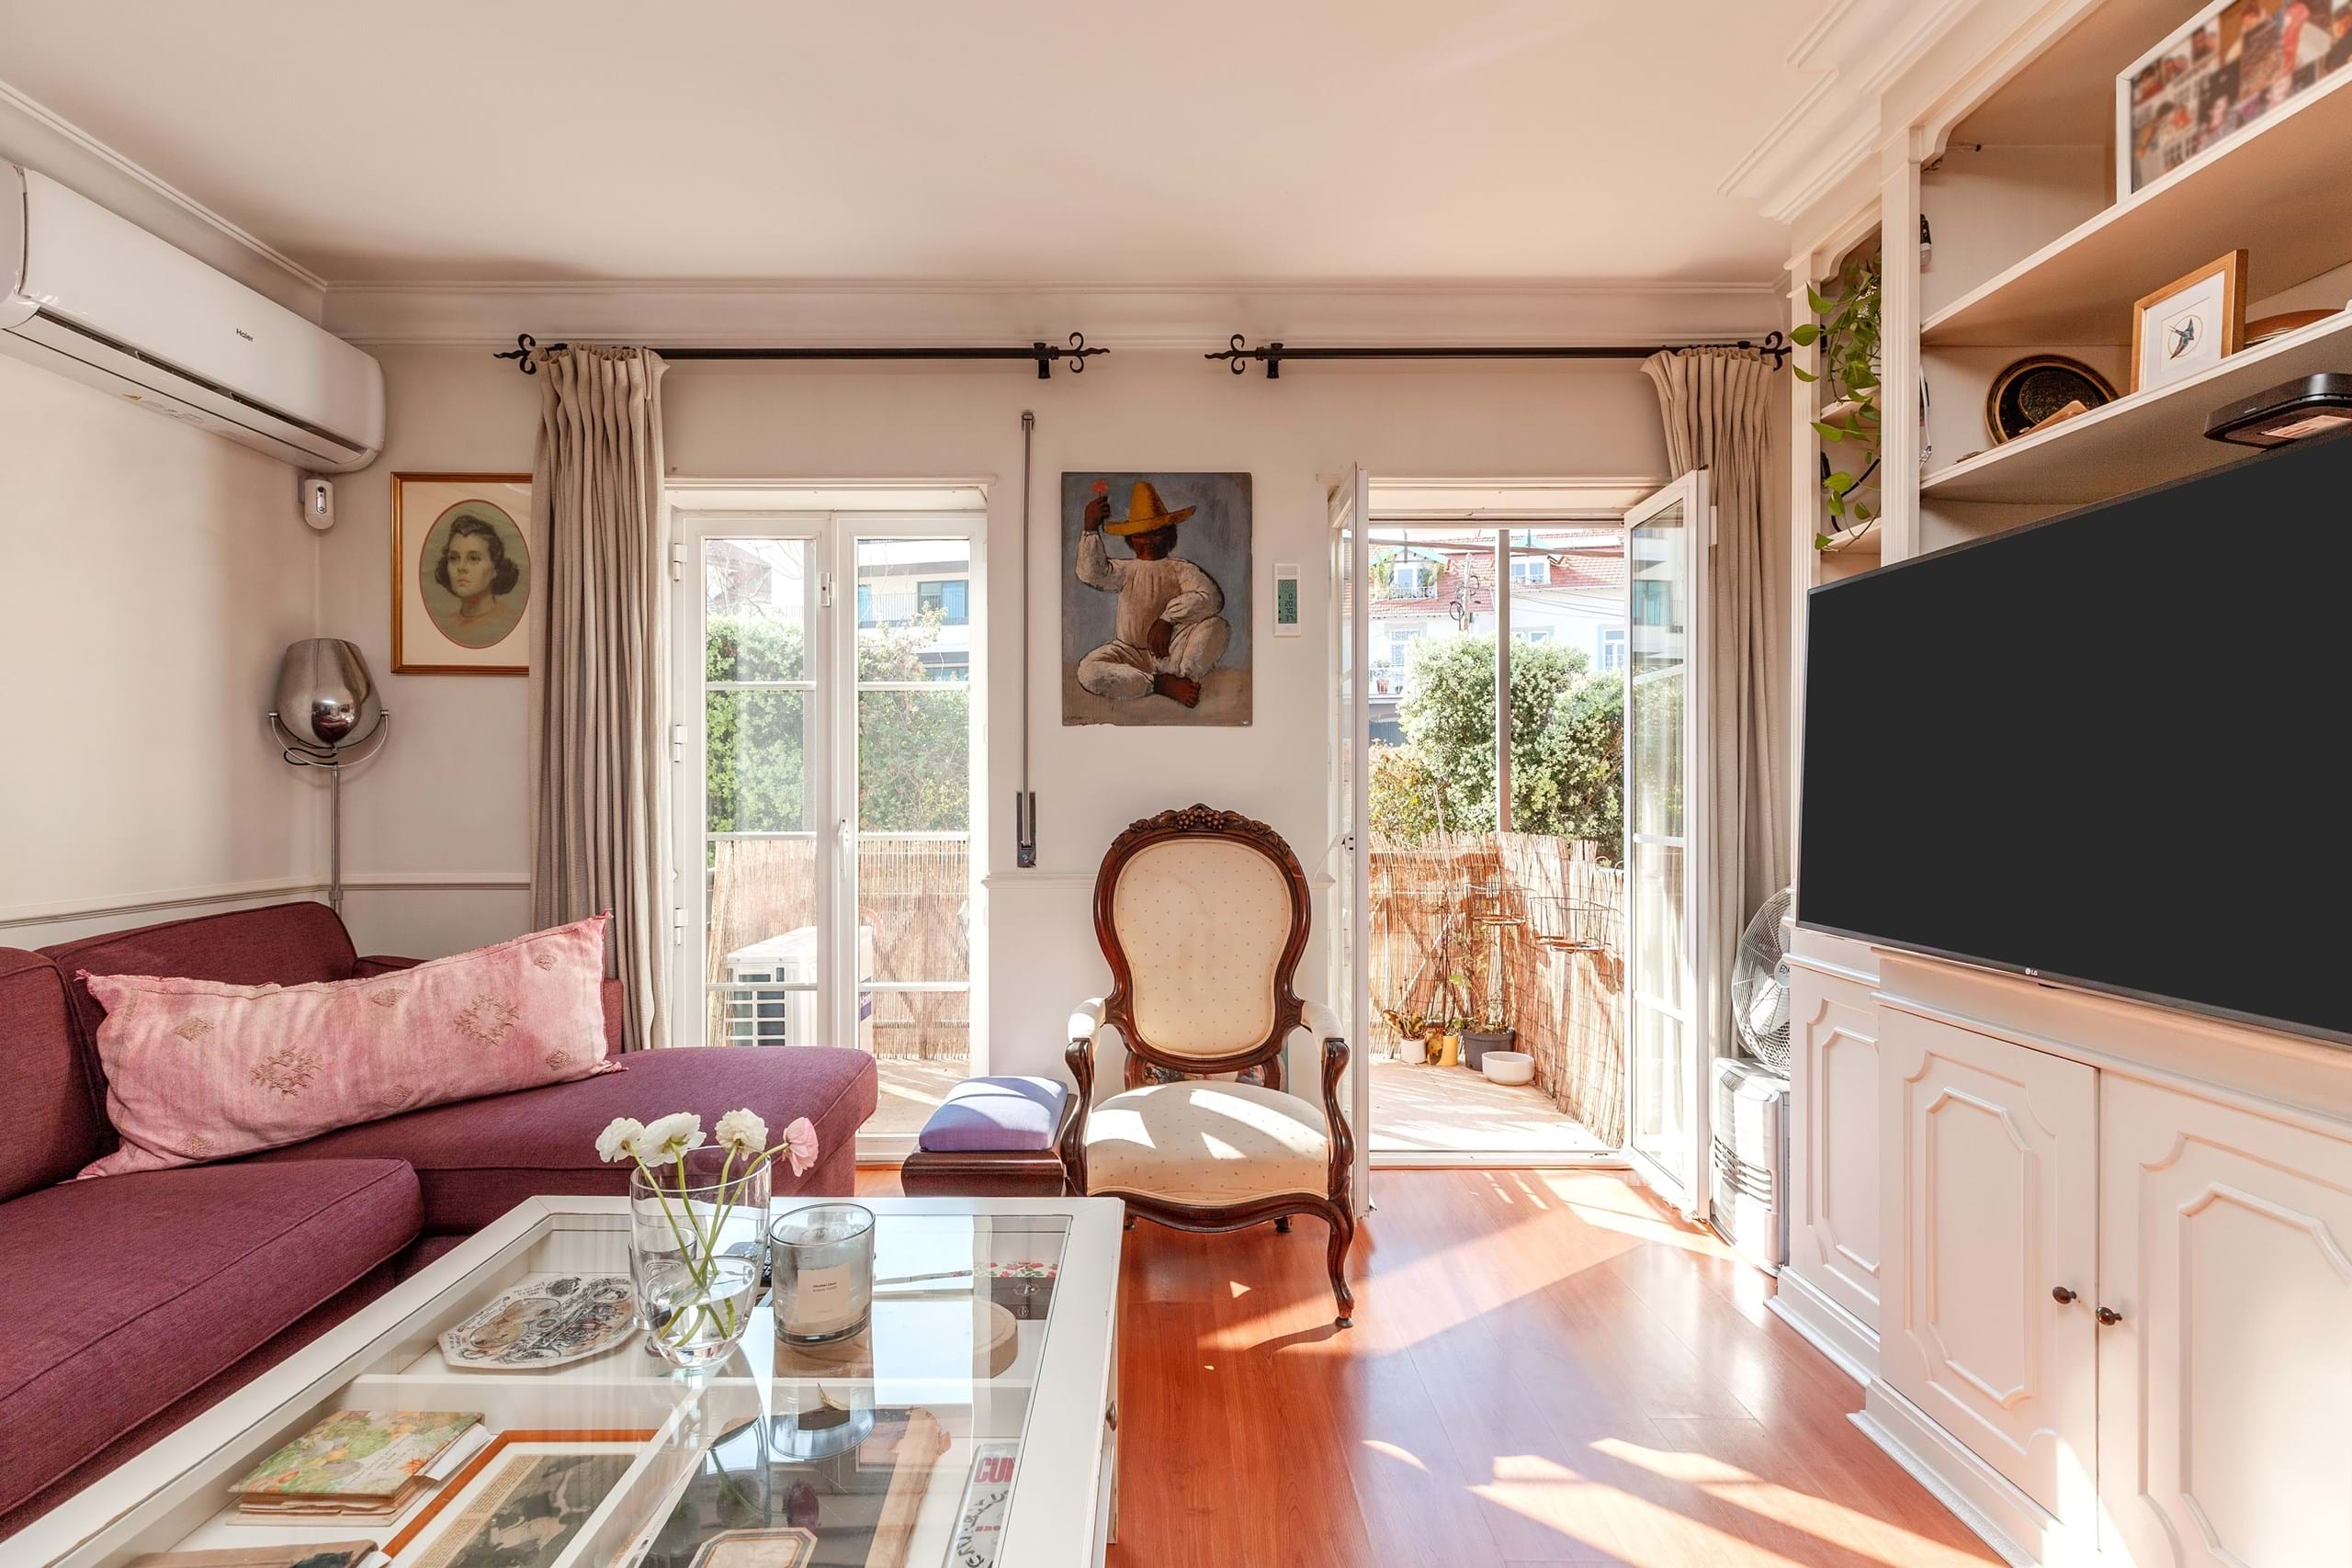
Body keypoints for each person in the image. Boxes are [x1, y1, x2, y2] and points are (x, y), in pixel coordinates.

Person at [1074, 479, 1230, 708]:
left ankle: (1183, 679)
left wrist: (1168, 619)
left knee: (1218, 627)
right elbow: (1091, 574)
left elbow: (1212, 598)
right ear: (1130, 539)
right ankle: (1157, 684)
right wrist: (1090, 529)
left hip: (1171, 653)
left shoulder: (1181, 568)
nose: (1147, 540)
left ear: (1169, 535)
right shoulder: (1125, 570)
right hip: (1128, 653)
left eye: (1156, 533)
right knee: (1088, 670)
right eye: (1140, 534)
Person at [432, 510, 526, 649]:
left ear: (495, 569)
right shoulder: (444, 626)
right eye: (454, 558)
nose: (461, 567)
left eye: (474, 558)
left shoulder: (509, 622)